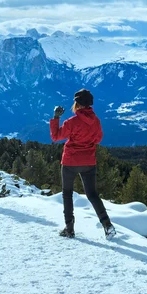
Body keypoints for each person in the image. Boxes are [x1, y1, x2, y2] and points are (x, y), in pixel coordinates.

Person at [50, 89, 116, 239]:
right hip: (88, 162)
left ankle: (69, 229)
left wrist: (55, 117)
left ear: (77, 104)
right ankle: (107, 225)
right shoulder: (96, 121)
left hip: (70, 161)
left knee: (67, 194)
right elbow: (98, 139)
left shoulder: (71, 122)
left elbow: (56, 136)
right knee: (92, 194)